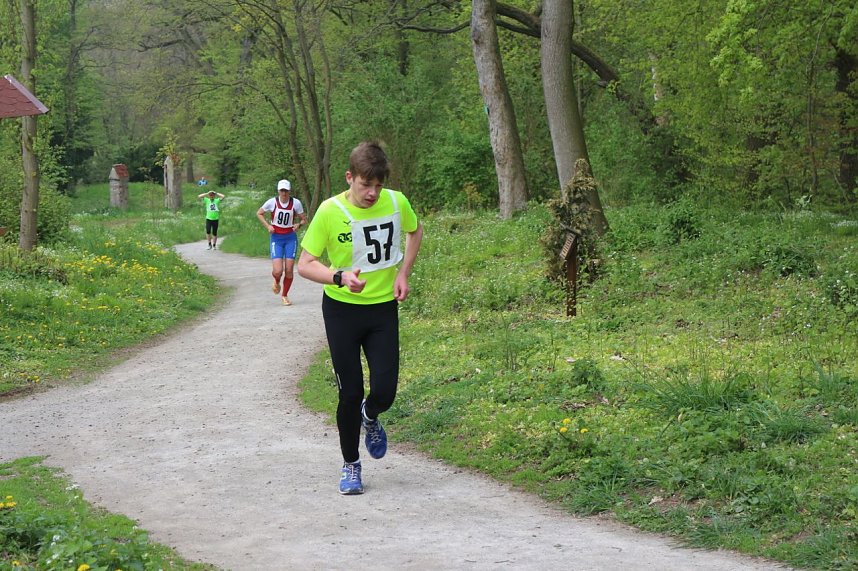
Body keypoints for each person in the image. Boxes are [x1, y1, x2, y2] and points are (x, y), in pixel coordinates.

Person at [297, 141, 423, 495]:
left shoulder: (397, 202)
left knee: (385, 391)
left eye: (378, 185)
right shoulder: (328, 211)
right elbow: (305, 265)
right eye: (365, 184)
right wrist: (339, 277)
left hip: (383, 308)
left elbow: (416, 231)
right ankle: (351, 464)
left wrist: (403, 273)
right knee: (349, 392)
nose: (372, 193)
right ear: (349, 177)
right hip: (341, 311)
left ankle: (372, 415)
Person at [257, 179, 307, 306]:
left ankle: (284, 295)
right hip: (276, 238)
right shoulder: (272, 202)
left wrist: (298, 225)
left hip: (290, 237)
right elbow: (259, 213)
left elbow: (304, 219)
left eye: (286, 191)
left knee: (289, 269)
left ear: (289, 191)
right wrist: (268, 226)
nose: (284, 193)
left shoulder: (296, 203)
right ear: (278, 191)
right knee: (278, 271)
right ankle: (276, 280)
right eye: (282, 191)